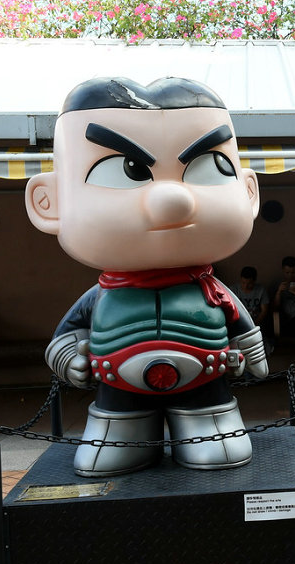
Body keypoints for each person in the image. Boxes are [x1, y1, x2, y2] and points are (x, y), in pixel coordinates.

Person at [24, 76, 268, 476]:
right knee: (115, 446)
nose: (173, 201)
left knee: (216, 445)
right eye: (126, 169)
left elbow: (241, 322)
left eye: (209, 165)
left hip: (205, 385)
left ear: (248, 191)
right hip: (118, 394)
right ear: (48, 202)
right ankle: (122, 438)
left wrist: (251, 352)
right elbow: (66, 335)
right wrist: (68, 357)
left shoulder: (211, 288)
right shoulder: (102, 295)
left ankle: (208, 429)